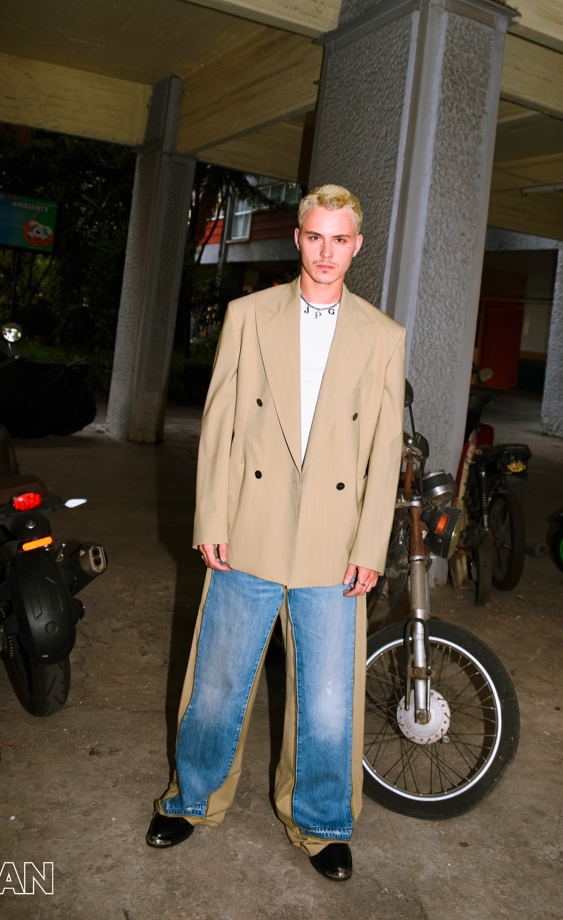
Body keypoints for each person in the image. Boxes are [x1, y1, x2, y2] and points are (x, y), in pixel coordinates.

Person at [145, 184, 406, 882]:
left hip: (333, 541)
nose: (326, 252)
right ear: (298, 239)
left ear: (356, 244)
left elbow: (385, 453)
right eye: (313, 237)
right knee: (218, 679)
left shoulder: (383, 337)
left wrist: (370, 547)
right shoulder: (248, 316)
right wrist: (212, 519)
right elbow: (221, 424)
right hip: (250, 529)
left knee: (327, 698)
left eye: (339, 239)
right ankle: (191, 799)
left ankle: (321, 823)